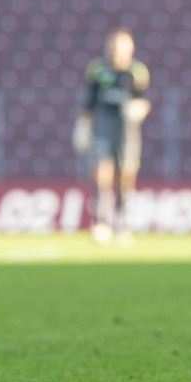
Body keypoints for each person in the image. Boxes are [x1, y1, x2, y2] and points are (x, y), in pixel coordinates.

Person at [73, 27, 151, 245]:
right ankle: (101, 222)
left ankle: (123, 224)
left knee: (126, 176)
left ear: (130, 48)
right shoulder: (98, 70)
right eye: (114, 46)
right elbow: (89, 102)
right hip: (103, 126)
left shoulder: (137, 72)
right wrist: (82, 126)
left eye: (121, 46)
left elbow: (144, 101)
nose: (116, 51)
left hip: (127, 130)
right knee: (101, 172)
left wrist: (139, 109)